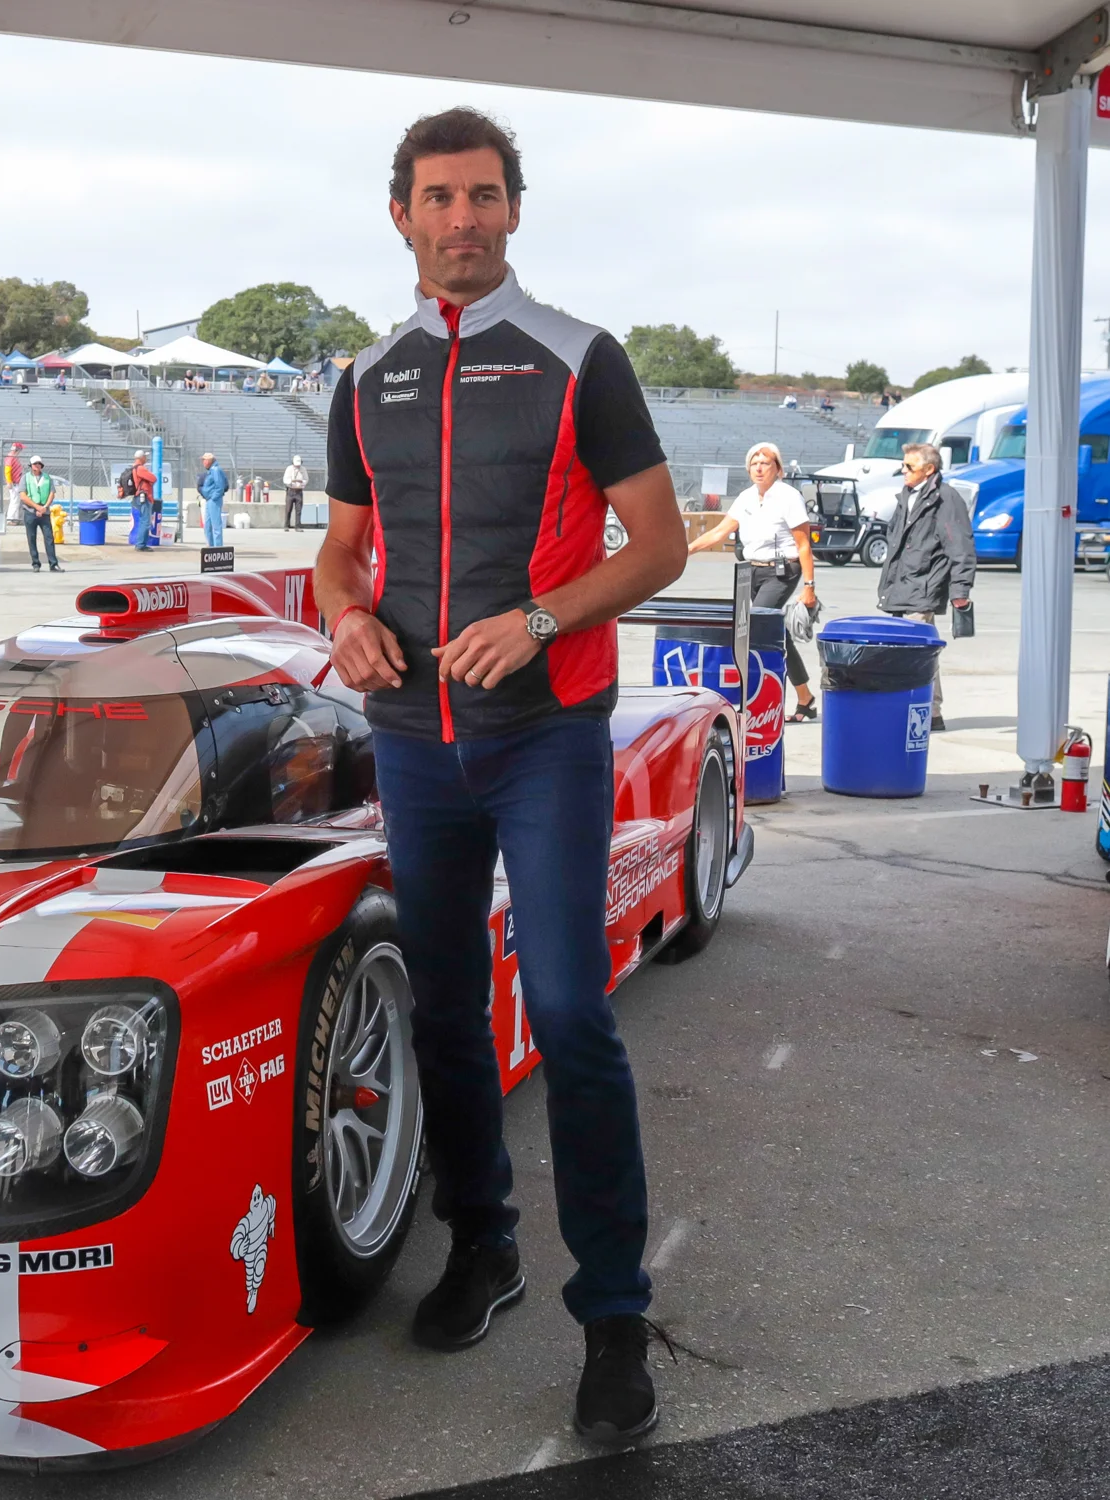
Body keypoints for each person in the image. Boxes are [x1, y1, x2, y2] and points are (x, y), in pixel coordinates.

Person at [315, 106, 687, 1445]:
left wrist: (538, 618)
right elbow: (338, 554)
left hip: (545, 736)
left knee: (570, 1012)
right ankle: (484, 1243)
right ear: (401, 217)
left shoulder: (580, 357)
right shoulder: (365, 377)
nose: (460, 218)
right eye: (436, 197)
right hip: (413, 744)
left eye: (481, 195)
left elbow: (658, 545)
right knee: (440, 1013)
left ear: (512, 212)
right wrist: (344, 616)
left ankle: (612, 1312)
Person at [685, 441, 818, 720]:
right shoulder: (746, 497)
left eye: (765, 462)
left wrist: (809, 588)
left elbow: (803, 545)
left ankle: (761, 700)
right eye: (754, 463)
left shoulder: (789, 497)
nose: (758, 467)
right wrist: (686, 551)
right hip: (751, 571)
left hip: (782, 571)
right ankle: (805, 698)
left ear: (778, 469)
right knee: (773, 634)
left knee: (755, 628)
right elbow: (720, 531)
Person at [876, 441, 975, 730]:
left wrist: (960, 592)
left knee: (914, 650)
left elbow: (961, 548)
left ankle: (927, 711)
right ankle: (930, 711)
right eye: (903, 465)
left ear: (929, 469)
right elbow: (896, 539)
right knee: (916, 649)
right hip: (901, 586)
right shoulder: (907, 495)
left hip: (924, 587)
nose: (903, 471)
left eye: (910, 466)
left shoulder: (946, 499)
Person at [18, 455, 60, 571]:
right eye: (35, 464)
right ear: (31, 466)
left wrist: (44, 507)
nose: (38, 466)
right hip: (30, 512)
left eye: (39, 464)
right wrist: (36, 507)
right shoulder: (25, 478)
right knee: (31, 538)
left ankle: (53, 564)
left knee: (49, 538)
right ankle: (35, 563)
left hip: (44, 512)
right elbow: (23, 496)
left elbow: (52, 493)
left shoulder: (47, 478)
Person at [125, 450, 158, 548]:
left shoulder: (135, 468)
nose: (146, 459)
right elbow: (153, 478)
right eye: (145, 457)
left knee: (143, 520)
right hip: (143, 497)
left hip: (138, 497)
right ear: (142, 458)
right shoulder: (140, 469)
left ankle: (141, 544)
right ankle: (141, 544)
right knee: (145, 521)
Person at [197, 451, 230, 548]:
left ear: (209, 461)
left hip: (213, 500)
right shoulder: (211, 470)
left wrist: (213, 497)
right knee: (207, 524)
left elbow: (219, 486)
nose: (203, 462)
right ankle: (210, 545)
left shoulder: (215, 470)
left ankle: (218, 547)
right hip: (209, 499)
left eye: (204, 460)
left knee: (216, 525)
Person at [283, 454, 311, 530]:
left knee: (298, 509)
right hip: (290, 491)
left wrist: (302, 483)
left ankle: (298, 526)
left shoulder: (303, 469)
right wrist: (292, 481)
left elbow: (306, 479)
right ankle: (286, 525)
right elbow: (285, 479)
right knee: (288, 509)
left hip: (299, 491)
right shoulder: (289, 469)